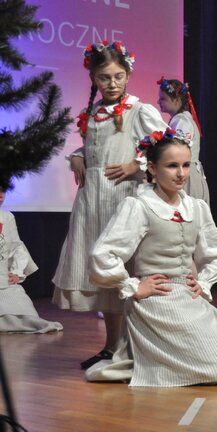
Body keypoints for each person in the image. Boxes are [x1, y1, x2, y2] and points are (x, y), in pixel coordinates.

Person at [85, 129, 217, 387]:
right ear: (152, 168)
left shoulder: (195, 207)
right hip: (155, 300)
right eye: (172, 166)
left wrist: (203, 282)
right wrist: (133, 286)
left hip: (187, 295)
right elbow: (102, 254)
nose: (181, 173)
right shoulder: (139, 206)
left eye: (186, 165)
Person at [52, 41, 168, 369]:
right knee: (105, 275)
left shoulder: (138, 110)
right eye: (104, 77)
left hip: (122, 200)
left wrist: (137, 163)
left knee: (126, 271)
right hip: (93, 203)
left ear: (128, 75)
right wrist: (77, 155)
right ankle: (112, 346)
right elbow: (96, 148)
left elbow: (168, 142)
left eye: (118, 76)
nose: (112, 83)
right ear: (94, 79)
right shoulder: (92, 113)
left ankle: (138, 347)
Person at [0, 188, 62, 333]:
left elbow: (16, 246)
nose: (1, 195)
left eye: (3, 191)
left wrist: (17, 272)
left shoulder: (7, 217)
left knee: (25, 314)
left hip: (4, 281)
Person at [156, 77, 210, 203]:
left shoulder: (182, 121)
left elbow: (179, 151)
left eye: (163, 98)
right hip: (185, 172)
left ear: (176, 100)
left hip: (186, 175)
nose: (158, 101)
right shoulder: (179, 120)